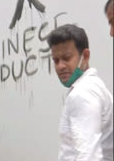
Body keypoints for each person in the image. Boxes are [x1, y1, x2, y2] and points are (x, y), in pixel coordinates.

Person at [48, 24, 113, 161]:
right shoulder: (94, 86)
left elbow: (88, 155)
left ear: (86, 56)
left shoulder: (82, 93)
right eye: (56, 60)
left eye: (66, 58)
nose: (60, 66)